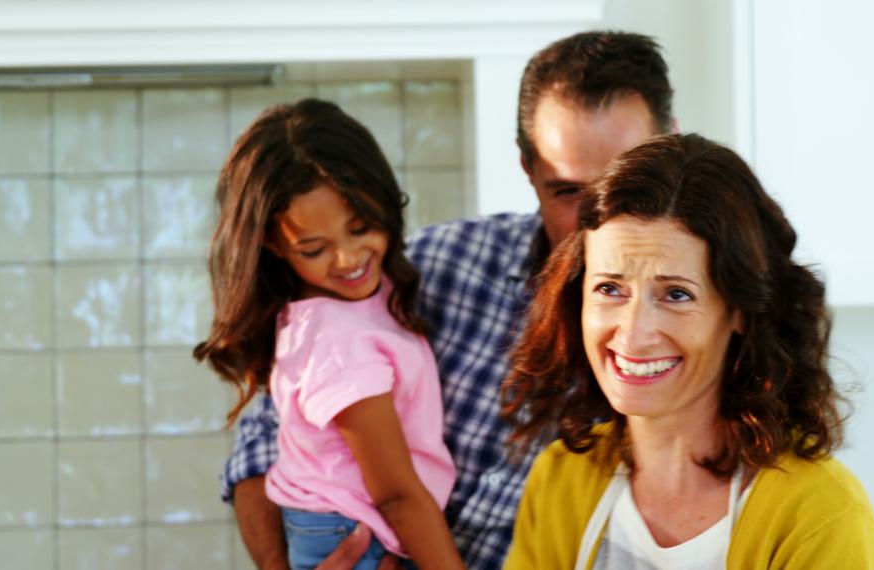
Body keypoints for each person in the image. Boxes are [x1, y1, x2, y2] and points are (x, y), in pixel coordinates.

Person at [222, 31, 675, 570]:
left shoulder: (702, 326)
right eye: (568, 191)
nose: (601, 218)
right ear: (528, 167)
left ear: (669, 151)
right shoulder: (426, 269)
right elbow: (267, 432)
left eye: (623, 183)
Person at [501, 134, 874, 569]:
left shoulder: (819, 513)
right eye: (609, 288)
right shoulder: (561, 478)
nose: (633, 334)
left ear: (741, 312)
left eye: (675, 295)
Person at [194, 99, 463, 569]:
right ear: (273, 244)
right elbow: (396, 495)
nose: (348, 259)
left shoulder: (358, 297)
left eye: (361, 226)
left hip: (358, 522)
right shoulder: (339, 342)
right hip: (356, 534)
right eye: (315, 249)